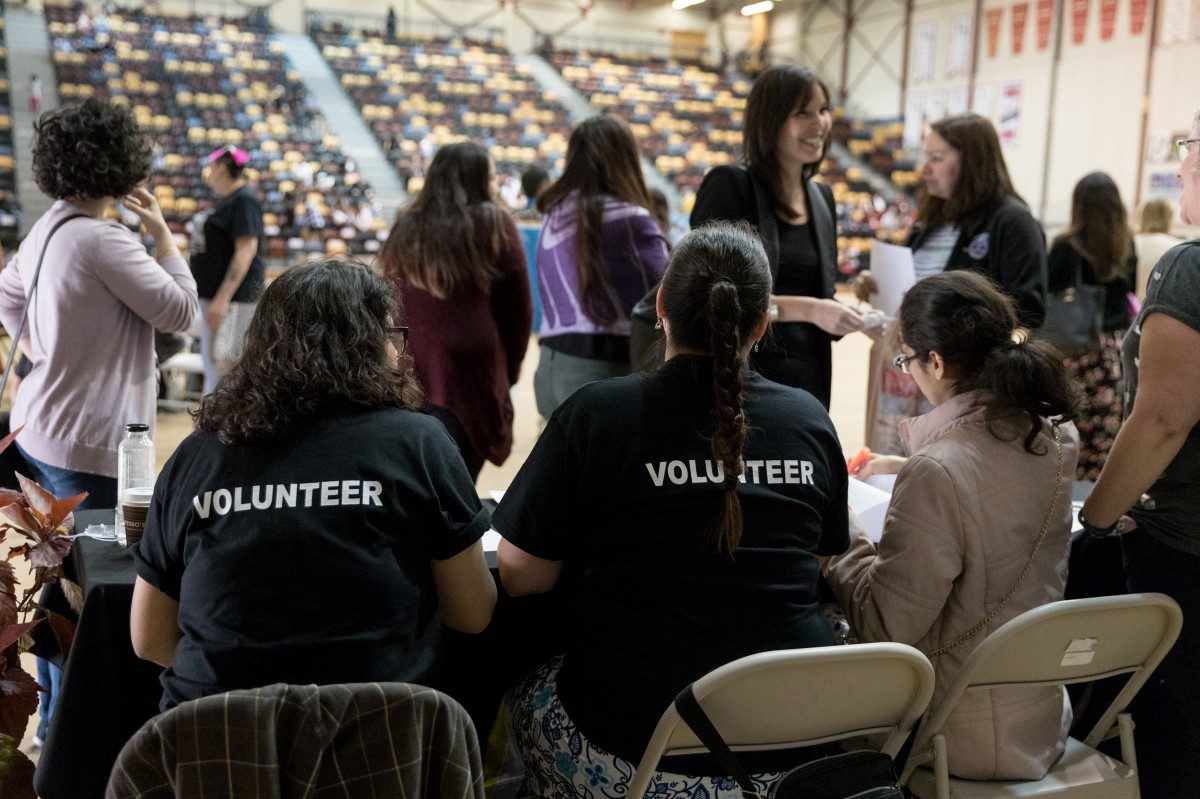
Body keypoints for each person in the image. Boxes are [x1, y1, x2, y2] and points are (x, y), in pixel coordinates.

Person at [495, 223, 850, 797]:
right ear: (761, 325)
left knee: (522, 689)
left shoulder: (597, 414)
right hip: (794, 755)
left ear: (660, 307)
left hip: (632, 753)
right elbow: (819, 561)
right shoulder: (808, 418)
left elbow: (519, 574)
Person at [130, 259, 497, 710]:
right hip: (381, 732)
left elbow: (148, 637)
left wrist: (255, 692)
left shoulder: (197, 456)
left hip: (216, 734)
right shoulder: (418, 443)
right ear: (367, 346)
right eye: (391, 335)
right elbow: (472, 614)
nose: (400, 351)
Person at [825, 270, 1079, 781]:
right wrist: (905, 466)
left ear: (936, 362)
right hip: (1038, 715)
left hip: (949, 732)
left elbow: (885, 625)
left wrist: (840, 533)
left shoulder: (937, 471)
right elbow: (993, 487)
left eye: (906, 361)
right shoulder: (1055, 434)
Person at [0, 97, 198, 746]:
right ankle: (72, 736)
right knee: (89, 602)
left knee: (57, 593)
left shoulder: (49, 226)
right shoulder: (104, 239)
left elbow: (7, 296)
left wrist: (47, 354)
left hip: (40, 428)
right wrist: (164, 237)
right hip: (91, 442)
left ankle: (55, 726)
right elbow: (180, 312)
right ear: (122, 163)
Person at [1079, 117, 1200, 798]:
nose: (1179, 168)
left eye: (1187, 151)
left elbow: (1161, 419)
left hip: (1182, 547)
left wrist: (1095, 519)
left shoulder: (1190, 268)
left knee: (1169, 745)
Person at [860, 112, 1048, 454]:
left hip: (958, 386)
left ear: (972, 161)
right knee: (893, 466)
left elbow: (1029, 310)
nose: (925, 169)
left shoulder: (1012, 221)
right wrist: (874, 286)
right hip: (905, 374)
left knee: (942, 468)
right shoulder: (930, 222)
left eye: (936, 158)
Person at [691, 65, 863, 409]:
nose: (820, 123)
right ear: (771, 121)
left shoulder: (823, 198)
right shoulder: (730, 186)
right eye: (803, 113)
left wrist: (848, 316)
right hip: (739, 383)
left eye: (823, 110)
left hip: (808, 388)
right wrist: (811, 310)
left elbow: (820, 298)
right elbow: (714, 294)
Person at [379, 142, 532, 480]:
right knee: (459, 483)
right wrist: (509, 371)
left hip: (412, 363)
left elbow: (388, 296)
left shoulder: (406, 225)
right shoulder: (494, 223)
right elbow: (518, 311)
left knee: (417, 477)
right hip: (472, 369)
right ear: (480, 179)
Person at [533, 114, 668, 418]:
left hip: (549, 369)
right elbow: (665, 295)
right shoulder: (631, 218)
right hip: (602, 371)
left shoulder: (553, 215)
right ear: (625, 160)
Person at [1046, 172, 1136, 480]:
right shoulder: (1125, 244)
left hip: (1073, 348)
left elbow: (1049, 296)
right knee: (1102, 435)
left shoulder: (1065, 246)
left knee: (1065, 433)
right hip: (1114, 352)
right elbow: (1128, 295)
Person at [189, 145, 264, 395]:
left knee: (226, 369)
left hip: (233, 301)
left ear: (221, 167)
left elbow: (246, 250)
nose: (208, 172)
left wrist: (222, 299)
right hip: (218, 298)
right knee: (215, 369)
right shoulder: (232, 199)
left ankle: (220, 419)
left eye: (211, 166)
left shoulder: (244, 200)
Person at [1132, 198, 1180, 298]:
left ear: (1141, 217)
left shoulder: (1131, 244)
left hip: (1131, 304)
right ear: (1169, 219)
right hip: (1160, 306)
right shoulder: (1178, 248)